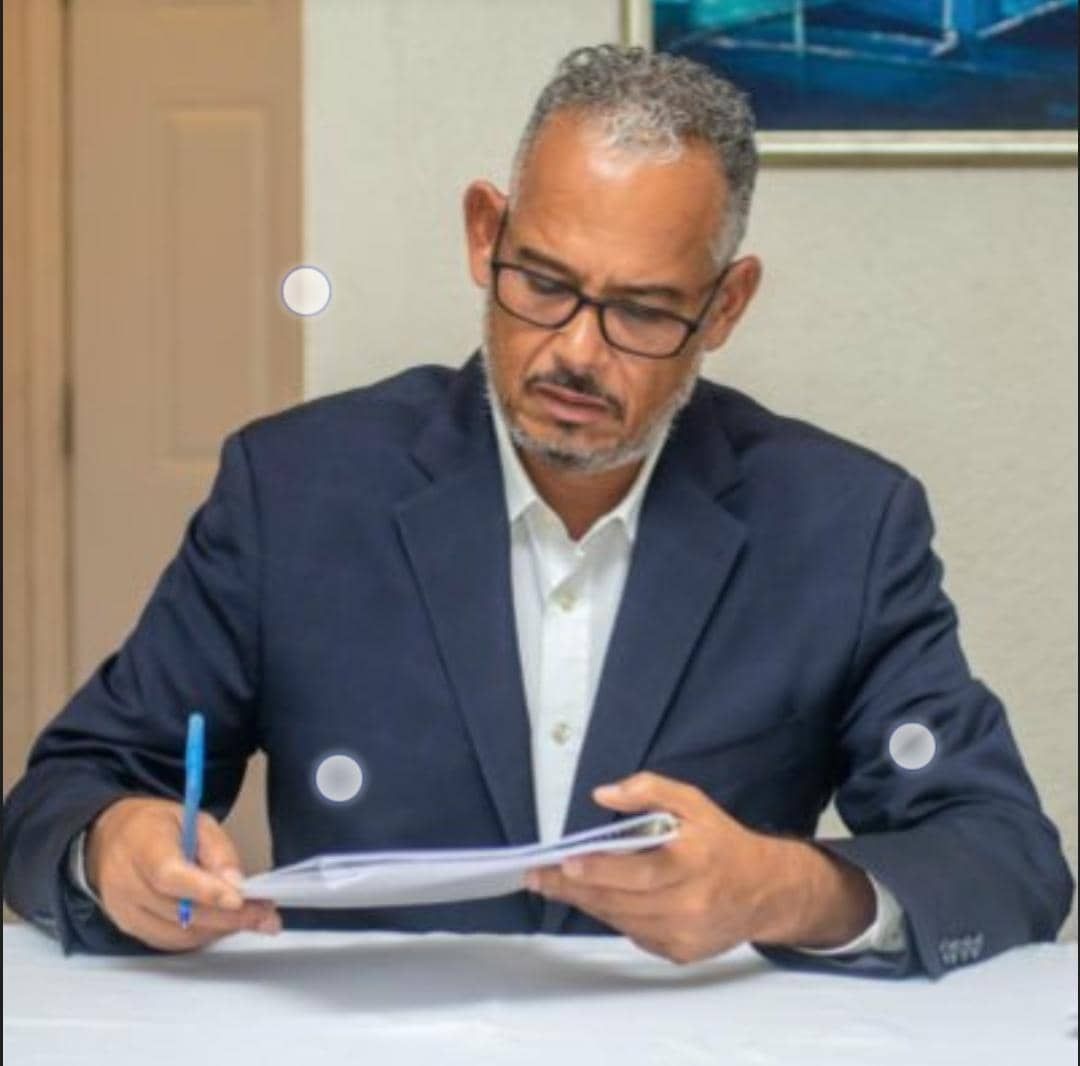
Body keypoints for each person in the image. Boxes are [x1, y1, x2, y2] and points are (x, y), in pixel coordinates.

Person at [2, 45, 1072, 975]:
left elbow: (1005, 857)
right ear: (485, 233)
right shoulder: (295, 491)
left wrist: (777, 890)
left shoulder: (842, 525)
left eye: (642, 311)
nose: (575, 351)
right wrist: (114, 848)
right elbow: (69, 790)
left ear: (726, 305)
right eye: (544, 284)